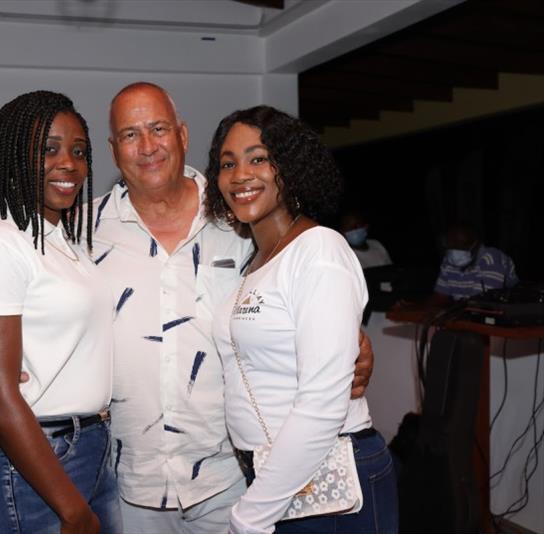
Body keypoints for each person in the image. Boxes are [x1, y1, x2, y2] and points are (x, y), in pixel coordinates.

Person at [88, 81, 375, 533]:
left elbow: (300, 301)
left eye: (158, 128)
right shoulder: (84, 233)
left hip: (235, 482)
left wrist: (351, 343)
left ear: (182, 135)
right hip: (131, 485)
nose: (147, 146)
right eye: (130, 134)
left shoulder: (239, 221)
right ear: (112, 148)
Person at [205, 105, 398, 533]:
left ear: (289, 167)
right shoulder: (257, 261)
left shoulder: (320, 251)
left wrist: (250, 516)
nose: (240, 175)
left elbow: (322, 402)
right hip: (282, 477)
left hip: (329, 476)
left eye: (258, 158)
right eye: (228, 163)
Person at [0, 91, 120, 534]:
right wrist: (72, 509)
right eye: (49, 149)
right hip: (39, 458)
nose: (69, 163)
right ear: (16, 154)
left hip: (90, 445)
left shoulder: (64, 242)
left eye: (79, 151)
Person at [433, 222, 519, 301]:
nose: (455, 251)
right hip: (466, 310)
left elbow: (483, 303)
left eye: (462, 246)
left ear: (475, 244)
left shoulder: (491, 260)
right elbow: (440, 297)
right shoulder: (448, 261)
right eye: (451, 246)